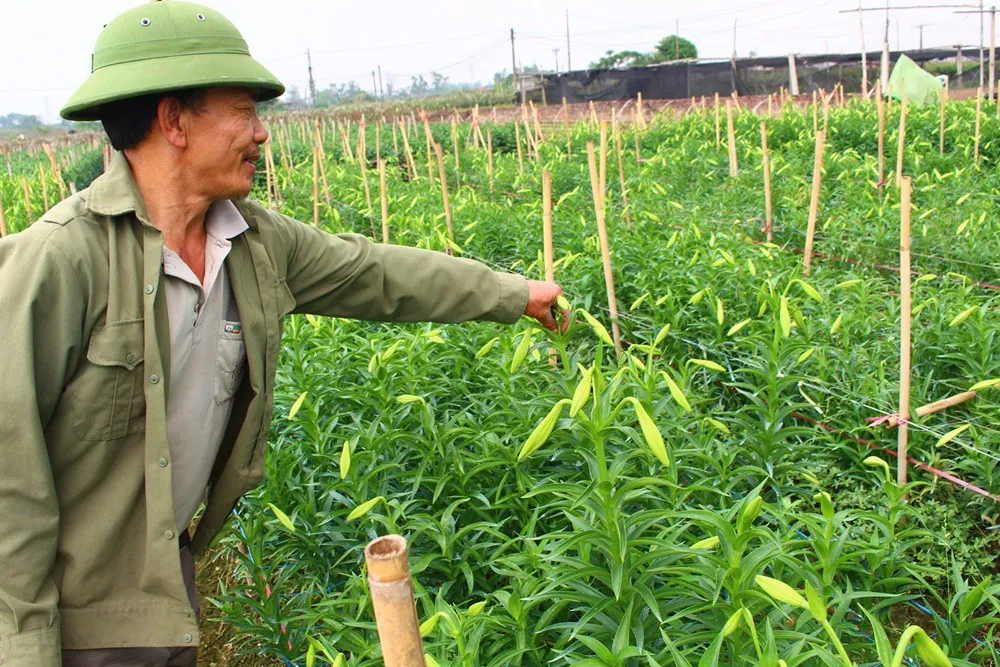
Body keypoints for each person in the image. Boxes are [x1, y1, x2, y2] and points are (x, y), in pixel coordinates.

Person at [0, 2, 563, 665]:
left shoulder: (254, 242)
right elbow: (12, 477)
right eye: (242, 111)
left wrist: (512, 293)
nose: (260, 134)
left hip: (165, 588)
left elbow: (377, 274)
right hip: (67, 615)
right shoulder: (61, 261)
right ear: (172, 119)